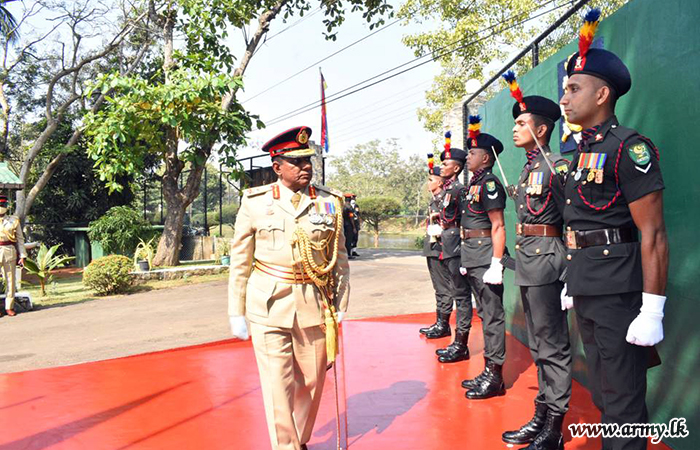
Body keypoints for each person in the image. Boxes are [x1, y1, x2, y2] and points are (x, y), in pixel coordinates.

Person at [559, 9, 668, 450]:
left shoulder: (630, 147)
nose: (564, 98)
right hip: (587, 285)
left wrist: (653, 309)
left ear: (602, 93)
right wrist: (573, 279)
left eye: (573, 88)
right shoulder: (580, 152)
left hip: (620, 293)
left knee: (623, 402)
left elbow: (654, 234)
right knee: (605, 395)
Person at [228, 126, 350, 450]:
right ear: (277, 166)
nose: (306, 167)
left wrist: (340, 310)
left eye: (308, 160)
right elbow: (240, 260)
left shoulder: (329, 202)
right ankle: (287, 446)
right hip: (268, 304)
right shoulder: (255, 202)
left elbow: (340, 262)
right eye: (296, 162)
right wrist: (235, 310)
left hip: (314, 302)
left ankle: (299, 437)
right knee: (276, 385)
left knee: (312, 381)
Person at [500, 71, 573, 450]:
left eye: (521, 123)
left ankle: (555, 430)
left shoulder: (557, 167)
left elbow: (573, 222)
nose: (515, 129)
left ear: (541, 130)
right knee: (540, 345)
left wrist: (571, 275)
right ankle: (542, 415)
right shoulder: (529, 168)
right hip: (529, 262)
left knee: (553, 346)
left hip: (549, 262)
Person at [458, 115, 508, 400]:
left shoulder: (489, 184)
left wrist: (496, 263)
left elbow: (498, 225)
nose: (468, 157)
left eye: (473, 153)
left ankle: (496, 375)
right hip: (472, 255)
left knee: (492, 316)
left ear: (486, 158)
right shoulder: (474, 184)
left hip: (485, 256)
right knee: (484, 314)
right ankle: (489, 369)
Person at [432, 140, 473, 363]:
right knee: (456, 293)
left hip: (457, 245)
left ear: (456, 168)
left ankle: (461, 343)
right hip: (447, 243)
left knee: (461, 296)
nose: (442, 168)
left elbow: (465, 220)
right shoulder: (448, 190)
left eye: (446, 164)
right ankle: (457, 341)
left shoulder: (459, 190)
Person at [419, 156, 455, 337]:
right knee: (438, 288)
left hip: (440, 248)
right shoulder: (435, 200)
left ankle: (444, 325)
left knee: (443, 288)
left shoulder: (443, 200)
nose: (428, 183)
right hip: (432, 248)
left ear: (440, 182)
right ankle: (439, 322)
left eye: (431, 180)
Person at [0, 195, 26, 317]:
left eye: (3, 205)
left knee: (10, 279)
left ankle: (9, 307)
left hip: (9, 250)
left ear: (6, 206)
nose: (1, 207)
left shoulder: (13, 221)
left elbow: (20, 239)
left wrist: (22, 255)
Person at [342, 194, 357, 259]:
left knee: (343, 239)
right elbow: (351, 218)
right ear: (350, 200)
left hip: (343, 224)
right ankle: (348, 254)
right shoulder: (349, 207)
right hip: (349, 225)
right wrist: (354, 227)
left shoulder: (342, 206)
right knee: (349, 240)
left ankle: (343, 253)